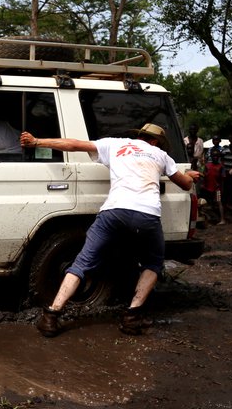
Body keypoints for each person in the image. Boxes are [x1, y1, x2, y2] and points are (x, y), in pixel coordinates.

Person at [19, 124, 200, 337]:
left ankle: (51, 316)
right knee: (152, 262)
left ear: (140, 136)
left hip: (113, 212)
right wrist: (190, 174)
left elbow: (74, 144)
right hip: (147, 215)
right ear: (155, 142)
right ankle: (132, 317)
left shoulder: (115, 144)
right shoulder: (160, 154)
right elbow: (186, 184)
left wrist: (37, 141)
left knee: (82, 262)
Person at [200, 149, 226, 225]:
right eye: (214, 156)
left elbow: (222, 179)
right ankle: (208, 219)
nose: (215, 157)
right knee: (207, 204)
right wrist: (203, 185)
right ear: (211, 156)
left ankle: (222, 219)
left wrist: (222, 189)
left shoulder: (221, 167)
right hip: (207, 188)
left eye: (217, 156)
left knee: (219, 203)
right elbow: (204, 175)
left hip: (217, 188)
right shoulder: (207, 165)